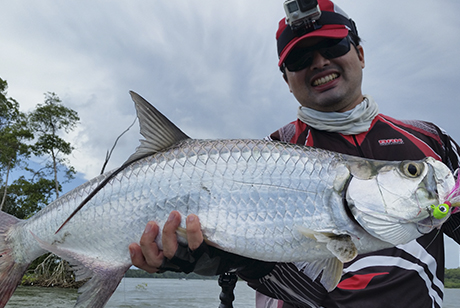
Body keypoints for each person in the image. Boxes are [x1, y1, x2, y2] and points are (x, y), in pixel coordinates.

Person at [129, 0, 460, 307]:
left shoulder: (432, 143)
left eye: (333, 45)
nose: (319, 62)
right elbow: (250, 260)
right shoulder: (264, 156)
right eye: (299, 59)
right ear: (286, 79)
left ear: (360, 53)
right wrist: (191, 255)